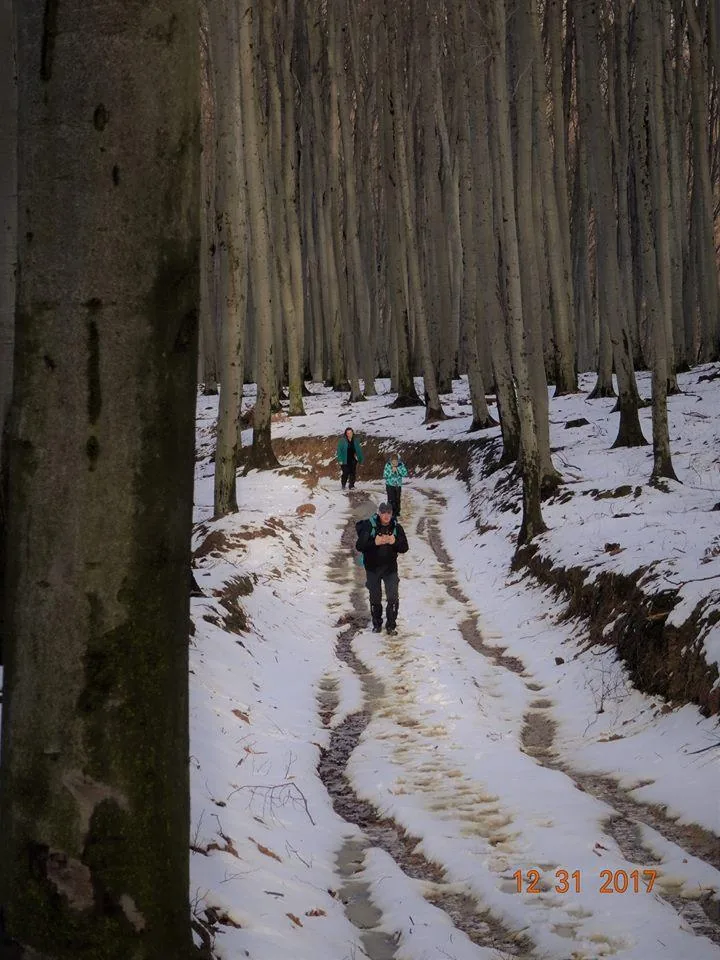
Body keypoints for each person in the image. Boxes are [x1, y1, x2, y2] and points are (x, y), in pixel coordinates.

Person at [355, 502, 409, 634]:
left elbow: (404, 547)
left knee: (393, 597)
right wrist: (375, 542)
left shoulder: (397, 527)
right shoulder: (369, 526)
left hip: (390, 569)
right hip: (373, 568)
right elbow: (360, 546)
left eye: (389, 513)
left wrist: (394, 541)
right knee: (375, 597)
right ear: (379, 513)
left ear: (392, 514)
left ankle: (391, 626)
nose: (386, 516)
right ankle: (377, 624)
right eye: (383, 512)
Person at [383, 453, 408, 517]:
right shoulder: (387, 465)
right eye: (393, 461)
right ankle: (391, 512)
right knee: (391, 499)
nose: (394, 462)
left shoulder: (401, 465)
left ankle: (397, 511)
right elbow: (385, 475)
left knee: (397, 499)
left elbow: (405, 474)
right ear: (391, 461)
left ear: (398, 460)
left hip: (398, 485)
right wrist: (391, 471)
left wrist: (398, 470)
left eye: (396, 461)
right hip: (389, 485)